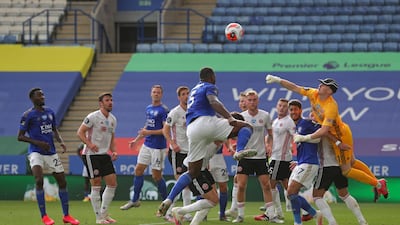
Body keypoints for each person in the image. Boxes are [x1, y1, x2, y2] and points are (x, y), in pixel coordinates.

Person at [266, 75, 389, 201]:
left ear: (329, 91)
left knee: (346, 170)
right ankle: (378, 181)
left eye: (324, 84)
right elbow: (295, 87)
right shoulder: (314, 93)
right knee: (352, 161)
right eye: (321, 83)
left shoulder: (331, 106)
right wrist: (278, 80)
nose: (320, 85)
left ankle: (378, 184)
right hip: (334, 133)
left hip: (340, 135)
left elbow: (324, 130)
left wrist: (305, 138)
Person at [157, 67, 257, 217]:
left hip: (192, 129)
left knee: (192, 172)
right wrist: (230, 118)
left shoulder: (195, 90)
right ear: (210, 76)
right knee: (247, 127)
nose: (215, 78)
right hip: (205, 124)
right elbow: (213, 101)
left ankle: (169, 199)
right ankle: (240, 150)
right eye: (214, 75)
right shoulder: (209, 87)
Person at [17, 87, 80, 225]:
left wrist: (61, 141)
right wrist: (37, 142)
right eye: (39, 95)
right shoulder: (27, 115)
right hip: (36, 152)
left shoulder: (50, 112)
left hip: (51, 152)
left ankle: (66, 216)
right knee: (39, 180)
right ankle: (44, 216)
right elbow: (20, 137)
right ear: (32, 98)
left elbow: (54, 129)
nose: (42, 97)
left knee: (62, 182)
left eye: (43, 94)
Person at [231, 90, 282, 223]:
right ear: (246, 102)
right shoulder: (241, 117)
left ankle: (271, 215)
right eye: (250, 100)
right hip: (245, 157)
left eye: (254, 100)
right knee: (241, 185)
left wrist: (269, 145)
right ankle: (240, 215)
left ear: (257, 101)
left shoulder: (265, 116)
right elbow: (233, 133)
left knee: (266, 185)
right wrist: (236, 147)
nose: (252, 102)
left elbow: (270, 134)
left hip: (260, 157)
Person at [120, 84, 169, 210]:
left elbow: (165, 130)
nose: (156, 94)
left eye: (158, 92)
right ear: (151, 94)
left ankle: (167, 203)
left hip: (158, 147)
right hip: (147, 144)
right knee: (138, 170)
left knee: (156, 176)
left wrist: (149, 133)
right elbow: (147, 126)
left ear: (161, 94)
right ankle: (135, 200)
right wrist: (136, 140)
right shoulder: (148, 109)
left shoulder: (164, 110)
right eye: (154, 92)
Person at [77, 92, 118, 224]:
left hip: (104, 155)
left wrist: (114, 151)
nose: (110, 102)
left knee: (112, 183)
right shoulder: (93, 117)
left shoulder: (113, 119)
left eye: (111, 100)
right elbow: (80, 132)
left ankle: (105, 214)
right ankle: (98, 218)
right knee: (96, 184)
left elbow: (111, 138)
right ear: (101, 103)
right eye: (107, 100)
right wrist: (89, 144)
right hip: (91, 155)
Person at [286, 100, 323, 225]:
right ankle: (311, 216)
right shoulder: (297, 127)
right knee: (291, 194)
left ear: (300, 110)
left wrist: (305, 138)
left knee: (291, 192)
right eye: (291, 110)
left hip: (309, 163)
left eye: (295, 109)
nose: (293, 112)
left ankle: (308, 216)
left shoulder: (306, 122)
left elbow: (320, 134)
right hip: (302, 162)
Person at [162, 86, 193, 222]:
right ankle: (168, 211)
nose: (186, 96)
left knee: (187, 183)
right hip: (178, 152)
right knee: (181, 182)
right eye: (183, 94)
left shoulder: (194, 111)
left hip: (191, 152)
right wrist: (172, 143)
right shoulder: (175, 112)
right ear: (179, 97)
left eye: (188, 94)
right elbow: (165, 130)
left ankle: (186, 212)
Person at [268, 98, 296, 220]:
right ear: (277, 106)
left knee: (270, 185)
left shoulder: (289, 122)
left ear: (288, 109)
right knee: (287, 187)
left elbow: (295, 136)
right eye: (280, 105)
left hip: (280, 158)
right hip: (276, 157)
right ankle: (302, 211)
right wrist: (268, 145)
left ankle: (277, 212)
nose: (281, 108)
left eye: (284, 106)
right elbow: (271, 137)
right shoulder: (275, 121)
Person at [225, 91, 247, 218]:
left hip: (255, 153)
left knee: (268, 182)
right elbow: (227, 131)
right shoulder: (237, 118)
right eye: (240, 101)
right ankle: (234, 208)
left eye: (244, 100)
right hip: (243, 153)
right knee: (237, 180)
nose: (242, 103)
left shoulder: (249, 117)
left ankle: (273, 211)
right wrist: (231, 145)